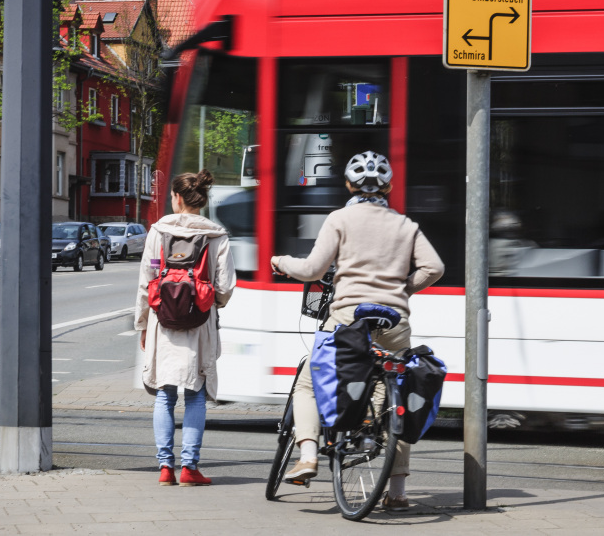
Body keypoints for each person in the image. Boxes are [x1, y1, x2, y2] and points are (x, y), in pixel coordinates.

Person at [270, 150, 444, 510]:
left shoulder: (340, 219)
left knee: (308, 379)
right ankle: (397, 493)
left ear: (348, 184)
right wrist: (402, 288)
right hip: (394, 322)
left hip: (349, 319)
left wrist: (280, 261)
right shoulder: (406, 225)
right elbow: (435, 267)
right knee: (394, 392)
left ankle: (307, 455)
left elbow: (314, 270)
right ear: (389, 186)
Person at [134, 170, 235, 487]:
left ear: (176, 198)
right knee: (194, 395)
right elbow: (226, 286)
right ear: (201, 201)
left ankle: (165, 468)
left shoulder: (157, 232)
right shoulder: (216, 236)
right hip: (199, 324)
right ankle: (190, 468)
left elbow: (146, 280)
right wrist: (211, 300)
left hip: (162, 324)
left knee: (164, 395)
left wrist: (142, 325)